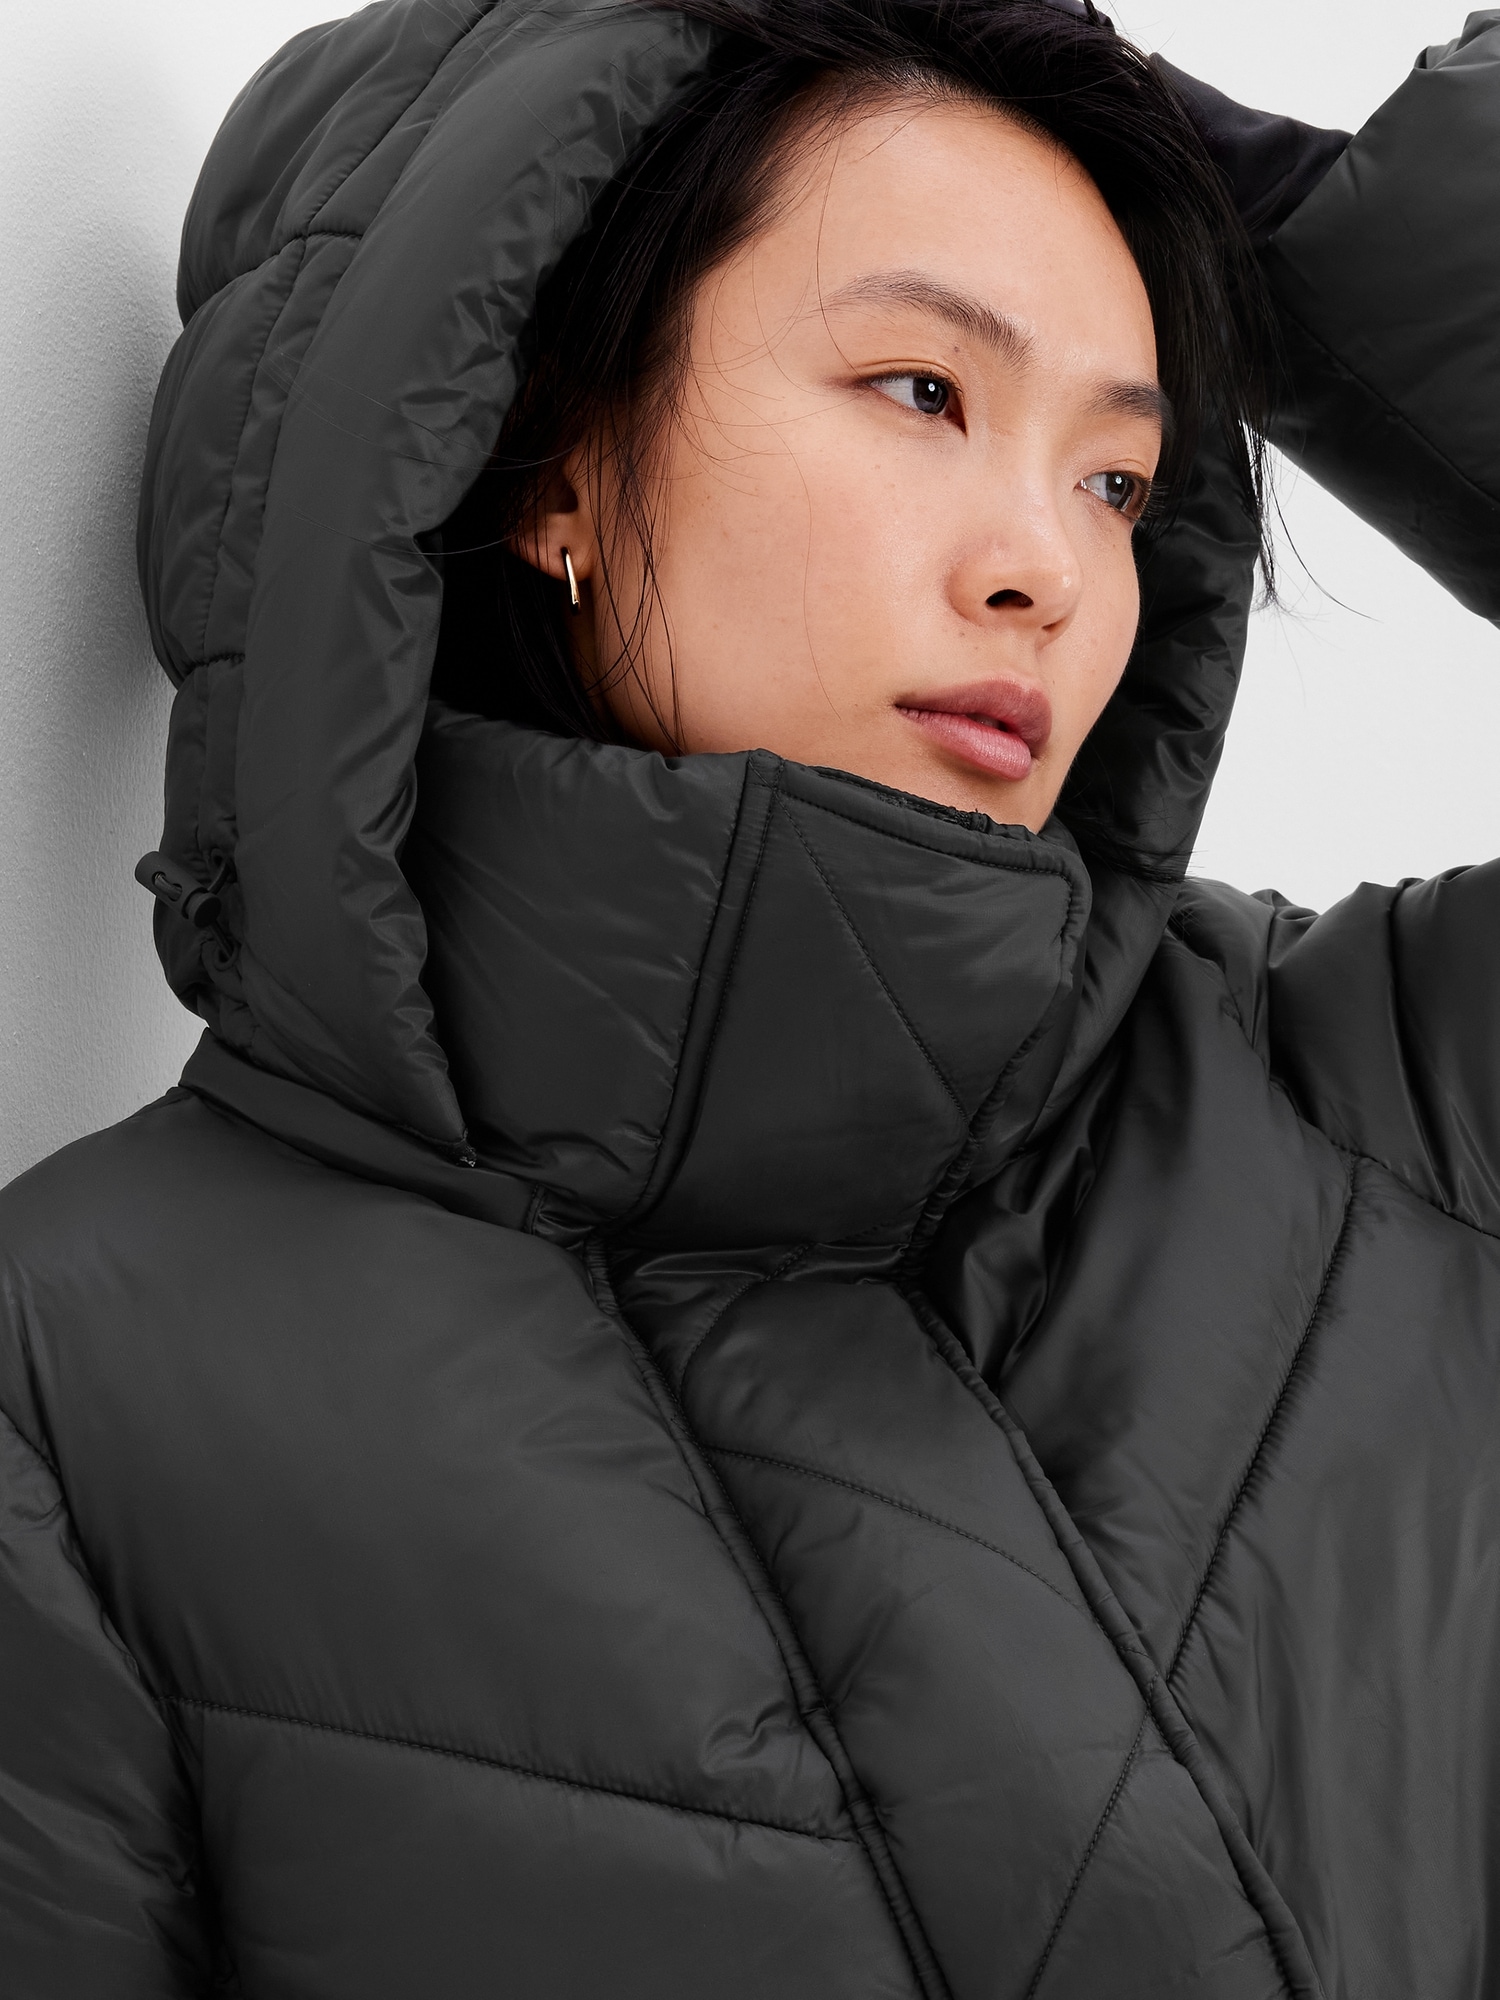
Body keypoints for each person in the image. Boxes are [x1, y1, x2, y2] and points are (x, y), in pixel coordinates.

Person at [1, 0, 1496, 1991]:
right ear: (545, 448)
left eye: (1120, 482)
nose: (1047, 568)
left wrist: (1319, 230)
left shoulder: (1373, 1092)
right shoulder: (82, 1379)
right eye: (921, 389)